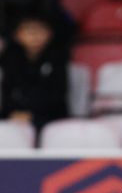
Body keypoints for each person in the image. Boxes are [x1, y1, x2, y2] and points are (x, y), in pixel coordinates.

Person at [0, 11, 70, 140]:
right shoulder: (9, 61)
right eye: (28, 30)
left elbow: (58, 95)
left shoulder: (58, 60)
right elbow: (6, 93)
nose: (34, 35)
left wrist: (33, 115)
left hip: (50, 118)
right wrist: (12, 113)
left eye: (40, 30)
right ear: (17, 35)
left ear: (50, 33)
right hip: (14, 116)